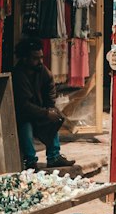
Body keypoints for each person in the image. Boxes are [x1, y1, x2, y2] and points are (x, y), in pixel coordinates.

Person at [12, 36, 73, 170]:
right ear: (25, 59)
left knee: (55, 117)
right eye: (35, 58)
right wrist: (45, 113)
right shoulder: (19, 75)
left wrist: (50, 110)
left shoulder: (44, 72)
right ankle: (30, 160)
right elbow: (23, 106)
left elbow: (51, 94)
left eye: (41, 57)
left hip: (39, 111)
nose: (40, 61)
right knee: (25, 124)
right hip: (24, 114)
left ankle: (54, 156)